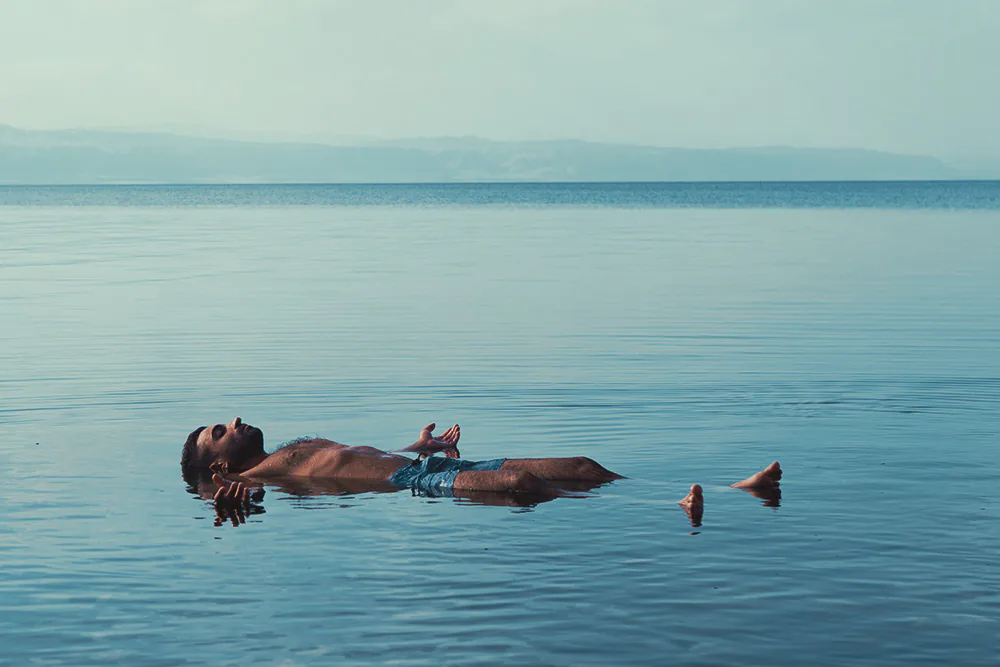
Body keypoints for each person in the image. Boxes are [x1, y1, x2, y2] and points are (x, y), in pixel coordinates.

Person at [181, 417, 624, 514]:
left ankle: (641, 490)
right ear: (219, 462)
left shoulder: (286, 451)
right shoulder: (252, 476)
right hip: (412, 481)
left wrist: (419, 446)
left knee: (583, 465)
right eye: (221, 432)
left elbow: (355, 460)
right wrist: (226, 498)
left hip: (422, 463)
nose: (234, 421)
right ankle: (671, 506)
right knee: (519, 482)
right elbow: (230, 495)